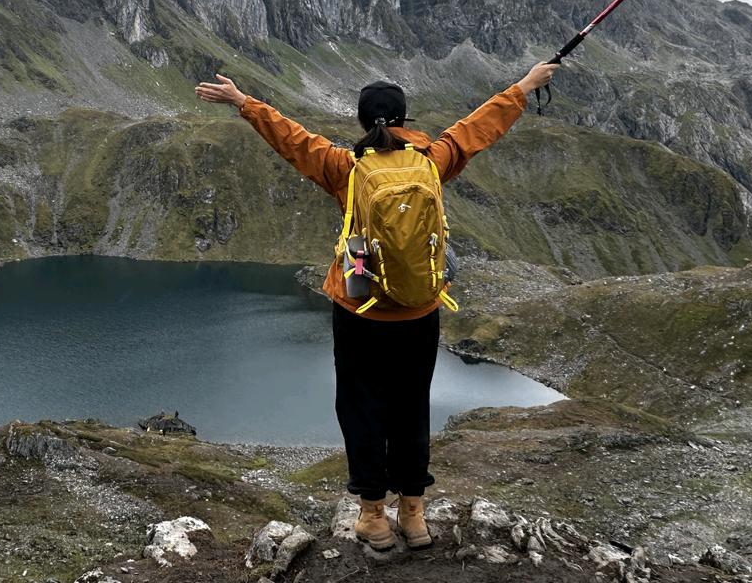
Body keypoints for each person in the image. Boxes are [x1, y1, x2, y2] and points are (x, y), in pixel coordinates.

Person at [194, 61, 558, 550]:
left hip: (360, 310)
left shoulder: (346, 168)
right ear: (405, 119)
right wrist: (525, 86)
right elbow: (476, 129)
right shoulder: (432, 161)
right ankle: (414, 515)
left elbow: (293, 140)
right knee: (411, 407)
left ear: (364, 122)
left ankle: (372, 516)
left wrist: (244, 103)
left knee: (362, 407)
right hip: (420, 311)